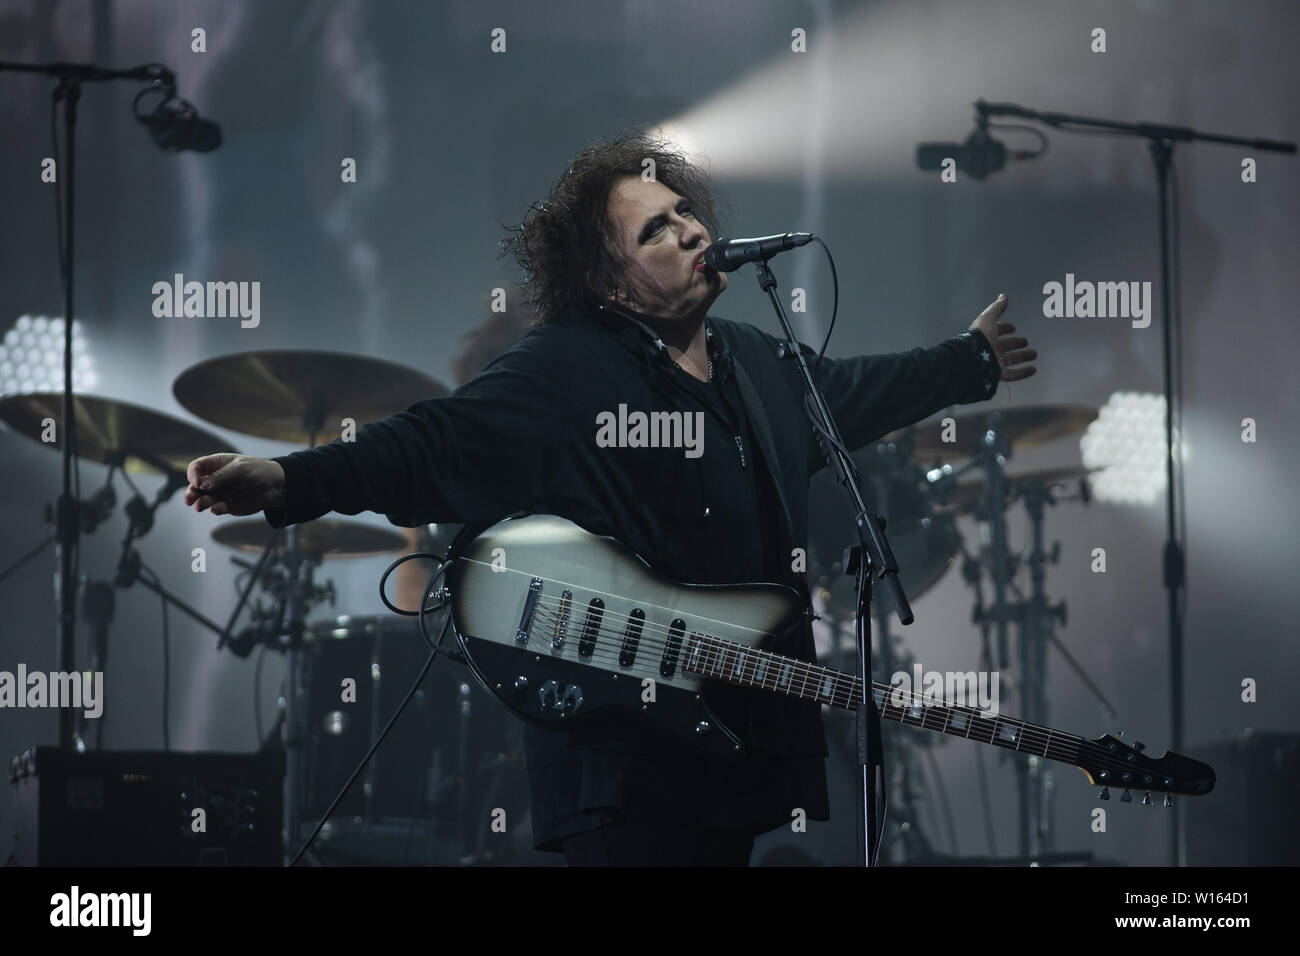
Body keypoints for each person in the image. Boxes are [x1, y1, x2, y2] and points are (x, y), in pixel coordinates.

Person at [185, 129, 1036, 866]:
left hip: (732, 741)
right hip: (621, 760)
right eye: (655, 229)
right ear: (609, 279)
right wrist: (290, 479)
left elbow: (857, 391)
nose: (691, 230)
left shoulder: (755, 361)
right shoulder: (568, 367)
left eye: (686, 213)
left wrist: (971, 361)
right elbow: (435, 438)